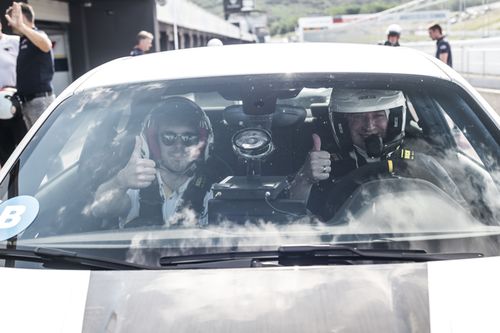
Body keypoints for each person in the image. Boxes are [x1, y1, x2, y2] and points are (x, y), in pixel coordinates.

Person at [290, 89, 462, 220]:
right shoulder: (324, 162)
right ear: (342, 124)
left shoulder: (422, 154)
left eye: (378, 116)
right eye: (357, 117)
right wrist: (305, 179)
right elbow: (294, 218)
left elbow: (459, 210)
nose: (369, 126)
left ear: (394, 120)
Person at [91, 96, 218, 227]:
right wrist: (120, 182)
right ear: (154, 142)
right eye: (168, 137)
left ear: (201, 143)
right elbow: (100, 209)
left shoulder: (214, 189)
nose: (178, 146)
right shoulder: (137, 182)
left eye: (188, 137)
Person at [5, 2, 55, 129]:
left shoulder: (38, 34)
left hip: (40, 102)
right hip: (27, 103)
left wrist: (21, 26)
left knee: (45, 141)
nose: (9, 23)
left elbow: (46, 45)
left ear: (21, 17)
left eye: (12, 18)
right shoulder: (23, 40)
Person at [0, 20, 26, 168]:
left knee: (27, 144)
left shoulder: (15, 42)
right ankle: (11, 187)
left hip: (17, 100)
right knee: (5, 153)